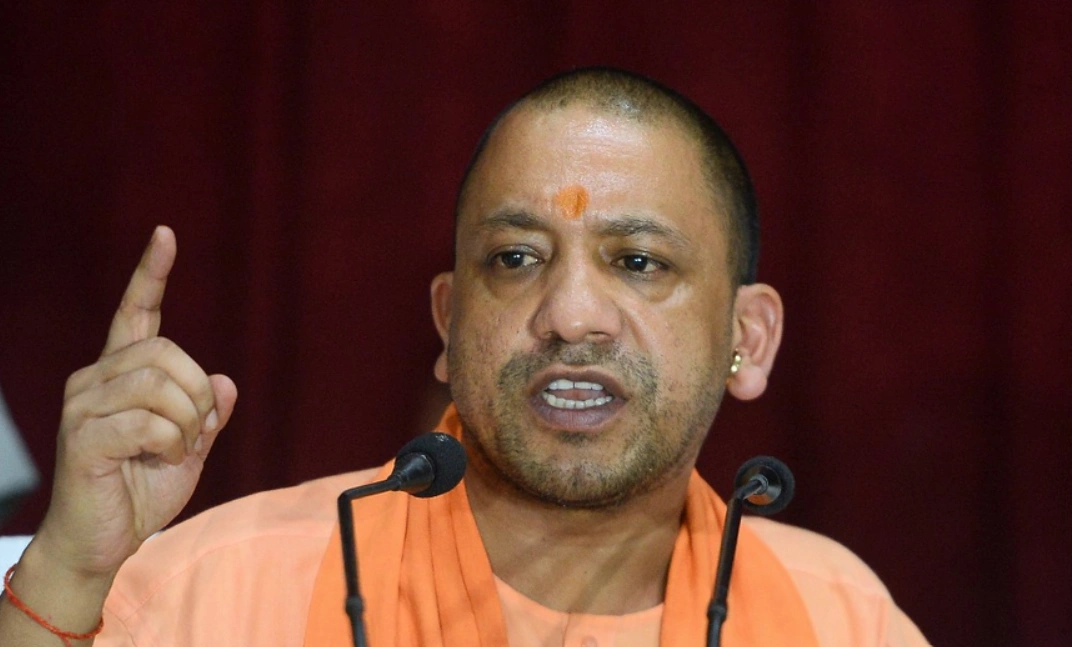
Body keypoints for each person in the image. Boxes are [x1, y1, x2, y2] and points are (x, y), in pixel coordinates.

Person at [0, 67, 929, 646]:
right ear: (448, 324)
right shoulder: (220, 584)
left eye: (639, 262)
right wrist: (69, 573)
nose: (570, 316)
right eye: (516, 259)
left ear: (748, 338)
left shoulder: (839, 616)